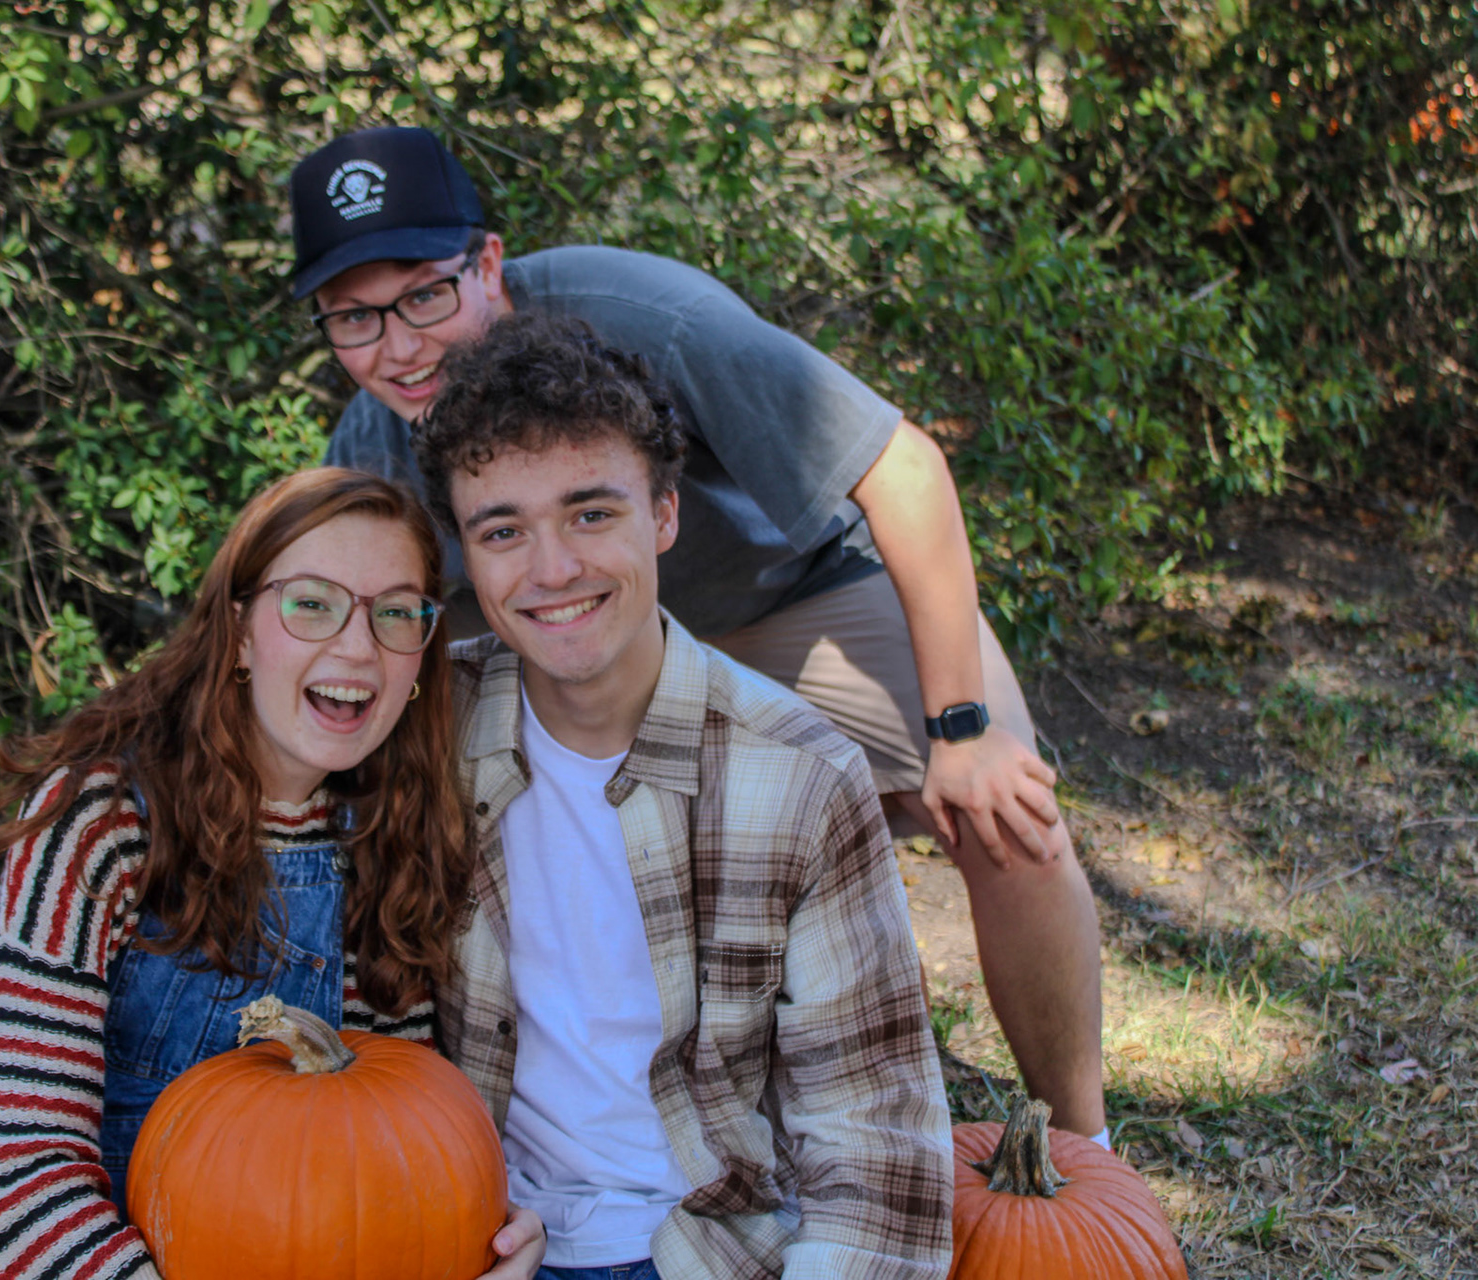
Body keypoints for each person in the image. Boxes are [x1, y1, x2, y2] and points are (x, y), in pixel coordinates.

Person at [291, 125, 1105, 1141]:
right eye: (355, 318)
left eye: (423, 295)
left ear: (487, 263)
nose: (400, 346)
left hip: (793, 593)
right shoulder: (371, 446)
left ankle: (1085, 1149)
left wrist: (964, 727)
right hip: (584, 643)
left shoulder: (646, 319)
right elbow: (332, 632)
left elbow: (904, 470)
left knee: (1005, 816)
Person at [415, 312, 953, 1278]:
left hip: (710, 1248)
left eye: (592, 514)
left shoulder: (800, 776)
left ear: (664, 515)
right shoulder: (424, 732)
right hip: (467, 1231)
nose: (553, 570)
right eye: (503, 531)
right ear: (464, 550)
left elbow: (875, 1149)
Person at [0, 469, 544, 1280]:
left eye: (398, 613)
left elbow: (396, 1135)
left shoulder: (386, 842)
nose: (358, 647)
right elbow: (23, 1169)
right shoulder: (100, 819)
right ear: (239, 631)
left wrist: (476, 1235)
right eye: (312, 603)